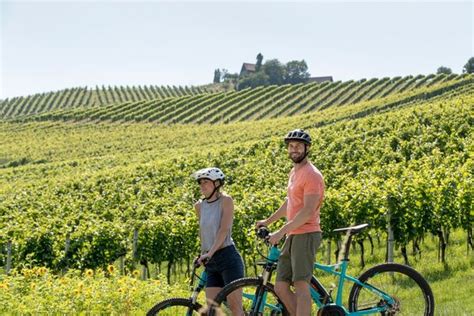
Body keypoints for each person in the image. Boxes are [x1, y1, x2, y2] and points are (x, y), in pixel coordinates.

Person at [256, 129, 325, 316]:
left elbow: (308, 211)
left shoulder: (312, 175)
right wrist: (268, 221)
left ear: (307, 148)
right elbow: (290, 202)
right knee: (280, 287)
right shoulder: (295, 172)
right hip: (294, 233)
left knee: (301, 285)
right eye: (291, 146)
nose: (294, 149)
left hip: (307, 233)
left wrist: (280, 231)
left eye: (298, 146)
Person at [193, 167, 244, 315]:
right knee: (212, 311)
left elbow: (223, 230)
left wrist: (210, 252)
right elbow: (205, 233)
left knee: (236, 309)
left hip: (228, 258)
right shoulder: (199, 206)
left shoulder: (226, 201)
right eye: (200, 182)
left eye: (206, 182)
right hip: (211, 262)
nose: (202, 186)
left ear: (217, 183)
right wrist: (203, 254)